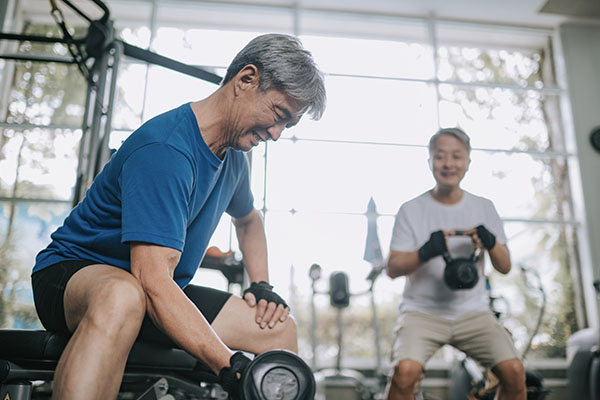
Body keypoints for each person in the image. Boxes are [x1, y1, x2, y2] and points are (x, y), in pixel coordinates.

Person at [31, 33, 326, 400]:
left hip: (157, 290)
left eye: (288, 126)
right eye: (279, 115)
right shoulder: (167, 149)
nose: (278, 135)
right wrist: (231, 367)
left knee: (278, 331)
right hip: (74, 276)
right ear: (246, 79)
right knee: (124, 296)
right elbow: (151, 281)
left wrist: (260, 285)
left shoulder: (234, 158)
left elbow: (248, 221)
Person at [385, 128, 526, 400]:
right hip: (421, 312)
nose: (448, 164)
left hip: (473, 313)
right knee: (404, 372)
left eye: (456, 156)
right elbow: (393, 268)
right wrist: (427, 251)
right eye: (440, 157)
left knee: (514, 371)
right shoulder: (411, 209)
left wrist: (490, 241)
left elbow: (505, 266)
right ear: (429, 162)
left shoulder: (484, 207)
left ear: (468, 162)